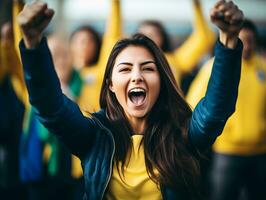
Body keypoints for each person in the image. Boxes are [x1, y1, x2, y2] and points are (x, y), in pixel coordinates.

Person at [17, 0, 244, 199]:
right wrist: (32, 43)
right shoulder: (94, 136)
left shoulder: (184, 136)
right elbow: (51, 109)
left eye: (147, 68)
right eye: (125, 69)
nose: (136, 76)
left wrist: (229, 41)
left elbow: (217, 109)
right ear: (111, 85)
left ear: (162, 82)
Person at [186, 19, 266, 200]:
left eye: (250, 40)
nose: (246, 46)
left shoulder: (263, 67)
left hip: (260, 152)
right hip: (227, 151)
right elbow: (192, 103)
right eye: (241, 40)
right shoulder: (214, 68)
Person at [138, 0, 216, 84]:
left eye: (152, 35)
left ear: (162, 38)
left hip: (172, 97)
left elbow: (203, 37)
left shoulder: (175, 61)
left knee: (211, 66)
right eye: (142, 35)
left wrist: (197, 6)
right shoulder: (127, 59)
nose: (146, 39)